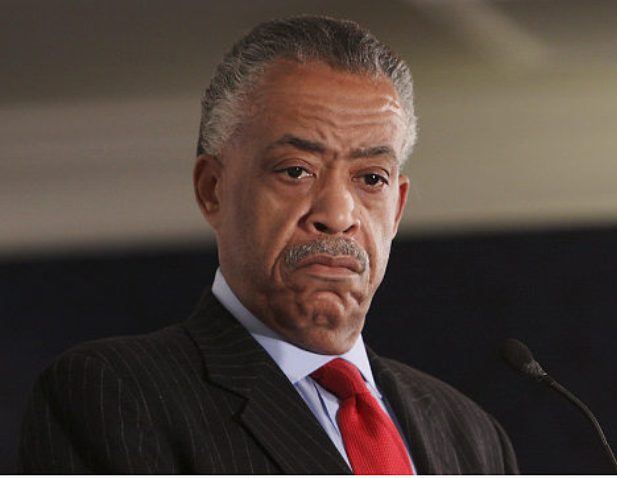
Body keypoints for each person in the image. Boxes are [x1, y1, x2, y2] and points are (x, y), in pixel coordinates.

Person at [18, 15, 518, 474]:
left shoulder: (472, 436)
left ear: (398, 208)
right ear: (212, 190)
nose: (337, 215)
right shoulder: (116, 394)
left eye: (371, 178)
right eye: (296, 171)